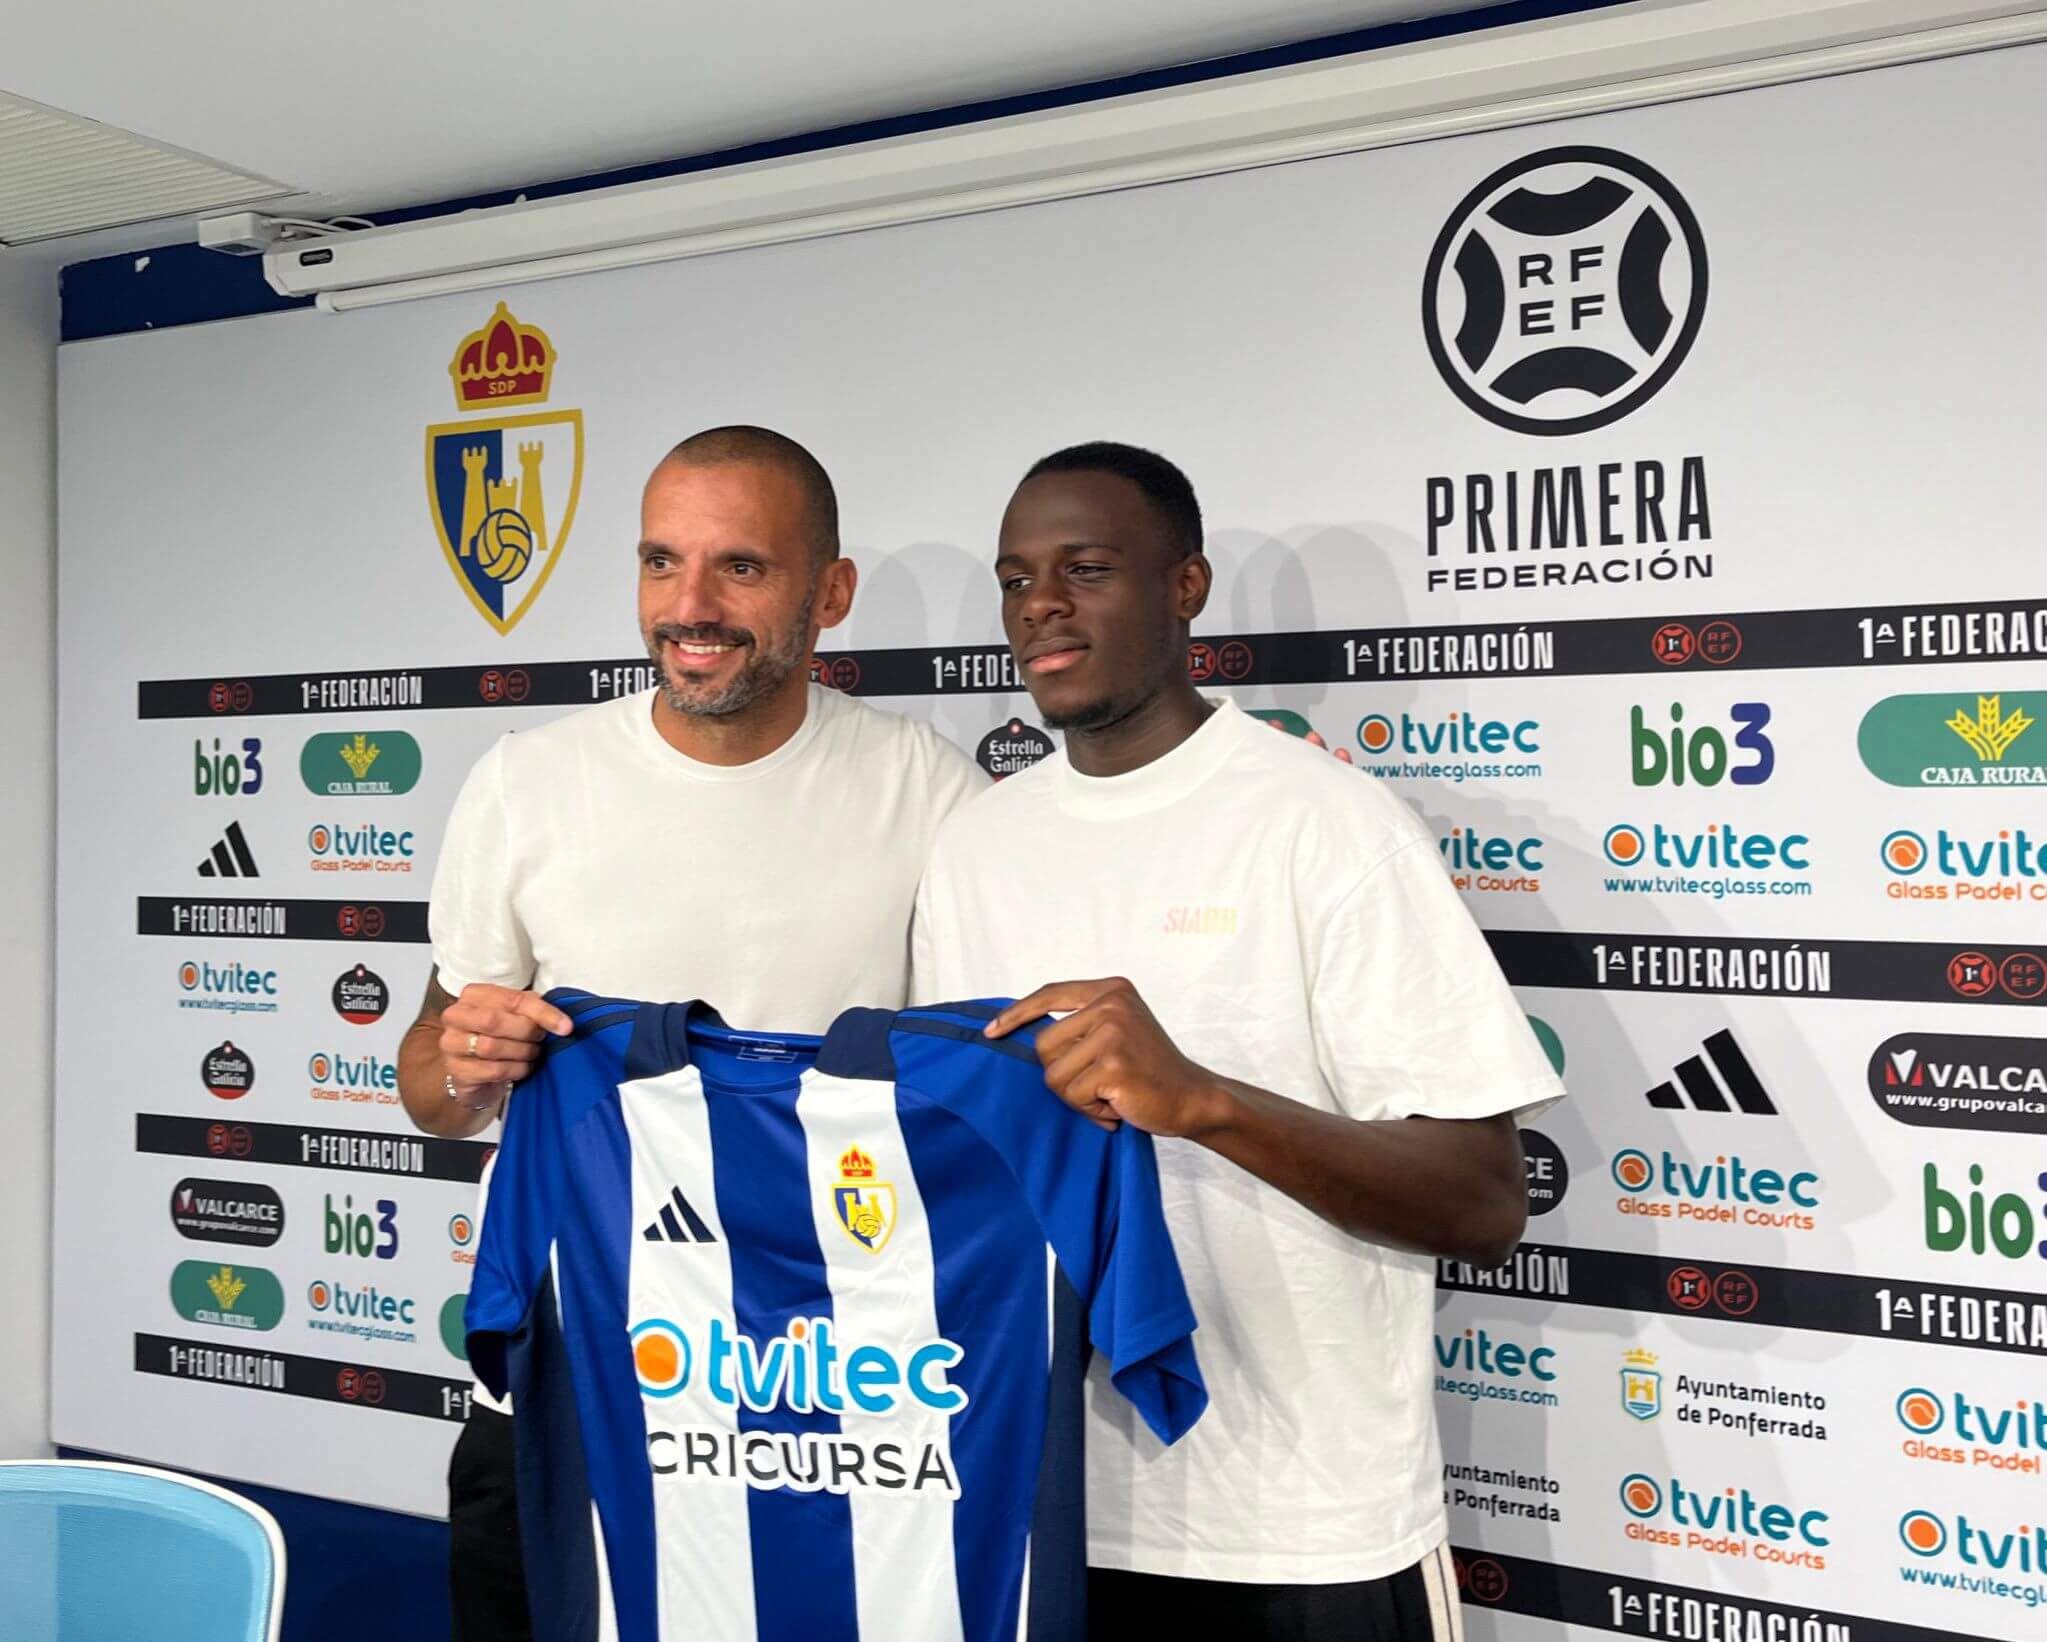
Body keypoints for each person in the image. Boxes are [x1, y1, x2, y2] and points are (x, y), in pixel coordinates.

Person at [913, 442, 1564, 1641]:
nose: (1038, 605)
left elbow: (1483, 1197)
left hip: (1303, 1531)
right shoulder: (973, 846)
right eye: (1015, 579)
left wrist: (1204, 1099)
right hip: (1041, 1509)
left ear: (1186, 586)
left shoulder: (1326, 826)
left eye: (1085, 568)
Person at [397, 425, 984, 1641]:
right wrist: (462, 1064)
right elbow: (427, 1079)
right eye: (661, 563)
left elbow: (982, 1094)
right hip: (568, 1384)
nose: (690, 607)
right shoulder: (526, 781)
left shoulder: (928, 791)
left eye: (740, 568)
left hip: (831, 1402)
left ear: (832, 592)